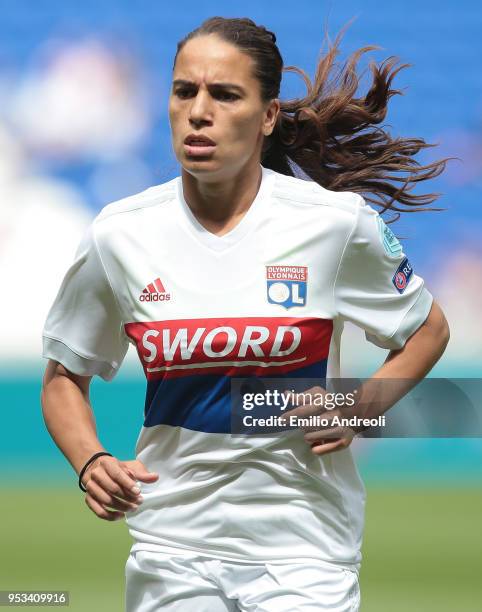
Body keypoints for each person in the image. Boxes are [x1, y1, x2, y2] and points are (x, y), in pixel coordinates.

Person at [41, 16, 450, 612]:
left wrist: (362, 403)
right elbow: (63, 379)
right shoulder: (119, 235)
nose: (198, 111)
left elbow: (428, 330)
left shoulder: (334, 224)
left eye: (225, 94)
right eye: (185, 91)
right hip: (170, 549)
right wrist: (91, 460)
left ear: (266, 117)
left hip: (305, 553)